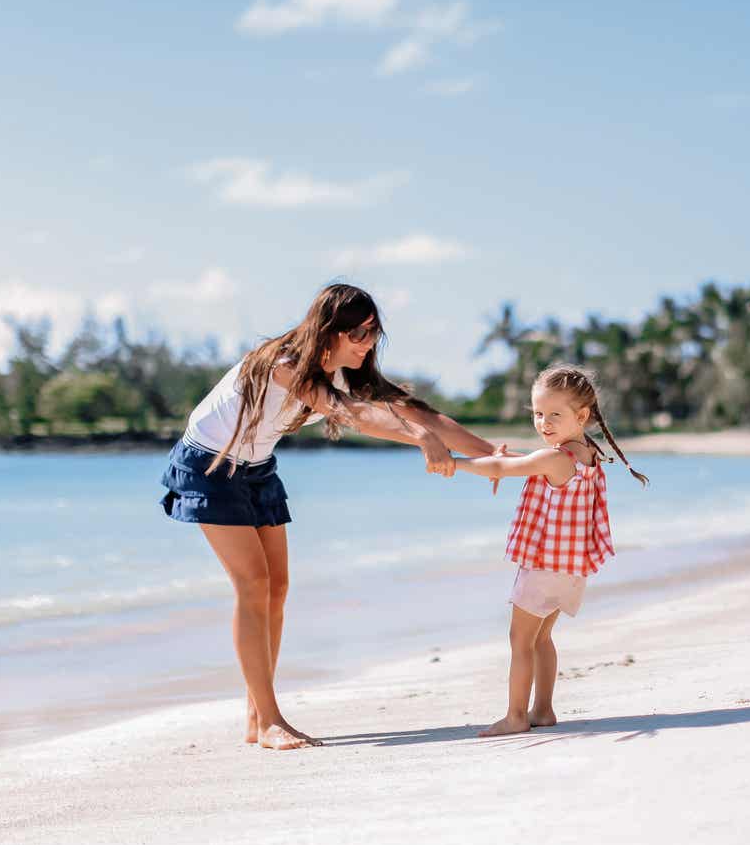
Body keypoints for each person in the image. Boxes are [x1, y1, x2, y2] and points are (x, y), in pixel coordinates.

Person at [159, 283, 499, 750]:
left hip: (256, 470)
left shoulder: (344, 370)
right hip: (209, 466)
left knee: (277, 587)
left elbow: (419, 413)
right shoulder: (283, 364)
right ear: (330, 329)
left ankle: (257, 716)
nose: (368, 344)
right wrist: (420, 438)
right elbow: (353, 415)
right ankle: (271, 720)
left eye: (374, 334)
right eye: (359, 333)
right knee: (253, 585)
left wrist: (497, 458)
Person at [452, 364, 647, 736]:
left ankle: (515, 715)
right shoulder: (588, 454)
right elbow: (517, 463)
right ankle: (543, 710)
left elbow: (502, 467)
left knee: (520, 641)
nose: (544, 423)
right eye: (538, 414)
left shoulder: (556, 459)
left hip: (544, 569)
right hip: (572, 570)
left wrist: (455, 463)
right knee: (542, 638)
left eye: (555, 414)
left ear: (582, 415)